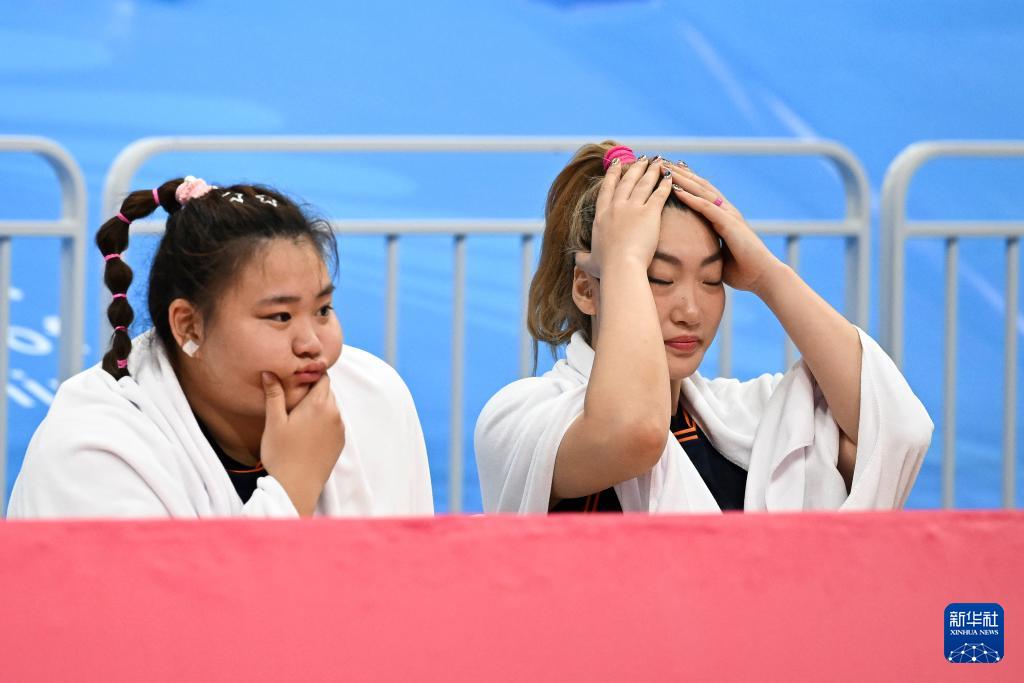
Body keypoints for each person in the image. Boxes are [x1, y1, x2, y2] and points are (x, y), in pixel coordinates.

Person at [474, 142, 932, 513]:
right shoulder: (522, 417)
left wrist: (767, 275)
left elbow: (895, 428)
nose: (691, 310)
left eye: (712, 280)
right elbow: (635, 431)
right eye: (659, 278)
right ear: (586, 289)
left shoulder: (742, 420)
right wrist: (625, 260)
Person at [9, 177, 433, 518]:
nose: (311, 344)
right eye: (280, 317)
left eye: (323, 310)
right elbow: (170, 604)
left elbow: (412, 582)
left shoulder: (373, 396)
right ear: (189, 326)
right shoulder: (93, 450)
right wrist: (292, 487)